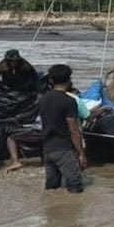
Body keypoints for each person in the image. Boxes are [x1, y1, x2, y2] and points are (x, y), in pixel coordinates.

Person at [37, 64, 87, 193]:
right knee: (75, 187)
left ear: (51, 80)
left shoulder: (43, 99)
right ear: (69, 80)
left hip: (47, 149)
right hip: (64, 149)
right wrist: (81, 154)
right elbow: (74, 130)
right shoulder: (69, 101)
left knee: (52, 188)